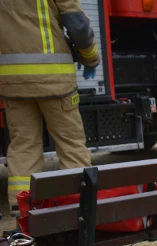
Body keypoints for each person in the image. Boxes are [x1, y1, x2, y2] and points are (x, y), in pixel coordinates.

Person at [0, 0, 100, 218]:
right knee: (70, 144)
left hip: (12, 82)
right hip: (55, 80)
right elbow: (77, 25)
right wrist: (91, 57)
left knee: (23, 146)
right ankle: (73, 209)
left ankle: (25, 213)